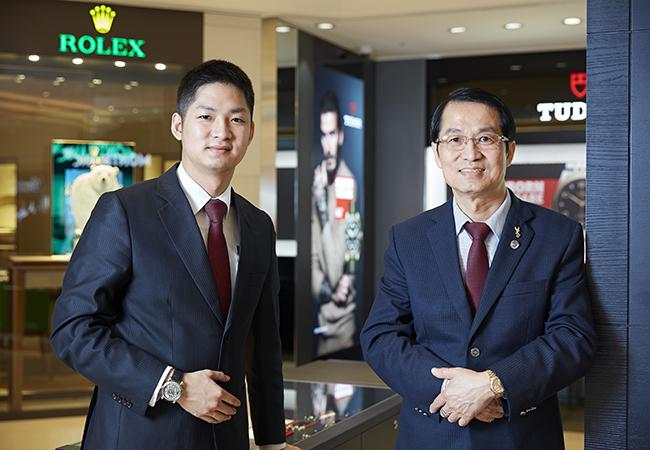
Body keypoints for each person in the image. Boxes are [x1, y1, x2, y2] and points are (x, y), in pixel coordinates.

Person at [51, 60, 298, 450]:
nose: (222, 131)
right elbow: (73, 330)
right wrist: (173, 385)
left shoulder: (258, 225)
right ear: (179, 126)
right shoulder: (125, 211)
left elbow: (263, 346)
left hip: (226, 438)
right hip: (140, 436)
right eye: (206, 116)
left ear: (250, 132)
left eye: (236, 119)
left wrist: (272, 442)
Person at [361, 87, 596, 449]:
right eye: (455, 139)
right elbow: (381, 336)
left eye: (485, 138)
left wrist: (494, 384)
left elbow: (573, 335)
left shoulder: (558, 235)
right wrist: (449, 390)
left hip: (520, 434)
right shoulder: (408, 238)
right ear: (438, 153)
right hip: (432, 432)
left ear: (509, 150)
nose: (470, 153)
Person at [311, 90, 360, 356]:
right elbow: (311, 247)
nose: (327, 144)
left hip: (340, 313)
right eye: (323, 135)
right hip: (318, 302)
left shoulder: (344, 182)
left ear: (340, 136)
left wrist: (347, 278)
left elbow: (345, 242)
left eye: (332, 134)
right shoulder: (315, 180)